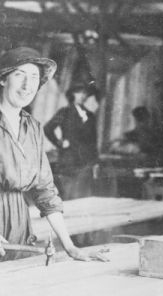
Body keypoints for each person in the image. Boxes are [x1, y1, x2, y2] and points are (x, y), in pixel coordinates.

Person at [0, 47, 105, 262]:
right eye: (19, 75)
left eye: (34, 77)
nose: (27, 85)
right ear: (2, 79)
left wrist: (69, 245)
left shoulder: (33, 127)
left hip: (19, 222)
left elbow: (45, 190)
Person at [44, 81, 98, 199]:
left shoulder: (90, 115)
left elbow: (94, 141)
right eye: (79, 92)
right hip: (69, 161)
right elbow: (48, 128)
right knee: (69, 196)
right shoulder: (65, 112)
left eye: (85, 93)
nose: (82, 96)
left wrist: (95, 161)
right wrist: (60, 143)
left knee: (84, 197)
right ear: (72, 94)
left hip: (86, 163)